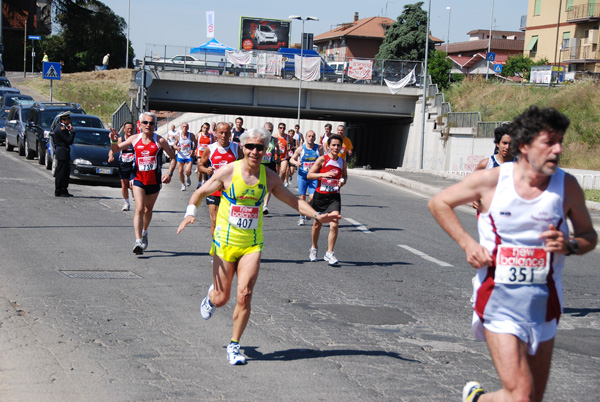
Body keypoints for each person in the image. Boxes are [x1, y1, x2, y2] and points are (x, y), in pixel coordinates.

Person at [427, 106, 597, 402]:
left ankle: (477, 399)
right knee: (520, 396)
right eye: (549, 142)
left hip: (544, 304)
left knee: (531, 399)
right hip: (499, 300)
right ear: (524, 146)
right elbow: (439, 202)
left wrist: (569, 245)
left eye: (560, 141)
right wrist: (468, 244)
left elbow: (589, 236)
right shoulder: (493, 181)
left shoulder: (566, 186)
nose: (557, 150)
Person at [177, 127, 341, 365]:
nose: (254, 151)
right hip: (225, 242)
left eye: (259, 147)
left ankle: (234, 345)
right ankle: (210, 298)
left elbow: (294, 201)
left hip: (252, 244)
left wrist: (317, 215)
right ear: (242, 148)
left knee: (244, 294)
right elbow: (200, 192)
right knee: (222, 298)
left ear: (266, 150)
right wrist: (190, 213)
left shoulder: (270, 177)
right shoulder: (228, 171)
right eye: (250, 147)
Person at [109, 112, 177, 255]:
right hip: (138, 178)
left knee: (148, 210)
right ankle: (138, 241)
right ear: (140, 125)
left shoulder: (160, 141)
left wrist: (169, 174)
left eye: (151, 123)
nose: (148, 126)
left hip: (154, 180)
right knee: (139, 208)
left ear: (155, 126)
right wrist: (114, 141)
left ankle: (145, 231)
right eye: (145, 123)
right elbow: (115, 150)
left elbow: (173, 158)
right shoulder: (134, 139)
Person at [307, 134, 348, 265]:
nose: (336, 148)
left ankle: (329, 253)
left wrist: (342, 181)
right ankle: (314, 248)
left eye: (338, 145)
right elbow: (309, 175)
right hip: (321, 196)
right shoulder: (322, 160)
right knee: (317, 224)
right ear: (328, 146)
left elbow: (345, 176)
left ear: (341, 147)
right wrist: (323, 174)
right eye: (333, 145)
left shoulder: (342, 162)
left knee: (334, 224)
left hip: (334, 196)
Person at [198, 122, 242, 237]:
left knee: (230, 221)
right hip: (214, 189)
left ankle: (228, 244)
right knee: (214, 220)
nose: (223, 135)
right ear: (216, 134)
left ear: (230, 134)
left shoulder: (236, 148)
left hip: (231, 191)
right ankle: (217, 247)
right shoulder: (210, 149)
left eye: (226, 133)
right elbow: (200, 165)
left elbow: (245, 166)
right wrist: (206, 170)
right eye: (221, 133)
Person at [472, 123, 515, 210]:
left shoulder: (520, 165)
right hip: (489, 214)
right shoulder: (486, 164)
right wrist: (475, 199)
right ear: (498, 144)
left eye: (510, 144)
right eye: (504, 143)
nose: (507, 147)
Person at [290, 130, 323, 225]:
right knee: (302, 197)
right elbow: (292, 159)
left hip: (313, 177)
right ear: (306, 137)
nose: (311, 138)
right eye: (309, 136)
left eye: (313, 136)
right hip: (303, 177)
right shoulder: (301, 149)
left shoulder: (319, 148)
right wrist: (296, 163)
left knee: (313, 197)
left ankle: (308, 210)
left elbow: (324, 159)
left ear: (315, 138)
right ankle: (301, 217)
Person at [108, 122, 136, 211]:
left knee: (132, 185)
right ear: (124, 129)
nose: (129, 130)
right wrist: (111, 156)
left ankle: (135, 194)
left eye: (131, 128)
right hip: (123, 165)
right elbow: (112, 150)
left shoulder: (136, 139)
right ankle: (126, 203)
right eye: (128, 128)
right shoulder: (121, 139)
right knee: (124, 184)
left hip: (134, 165)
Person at [53, 111, 76, 197]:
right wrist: (72, 132)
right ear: (63, 120)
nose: (69, 120)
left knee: (65, 173)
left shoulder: (63, 128)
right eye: (68, 119)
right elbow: (69, 141)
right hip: (62, 152)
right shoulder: (61, 129)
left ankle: (64, 189)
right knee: (61, 173)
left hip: (64, 152)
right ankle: (59, 190)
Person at [261, 122, 278, 215]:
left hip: (270, 164)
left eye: (270, 130)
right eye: (267, 130)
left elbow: (277, 147)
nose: (269, 132)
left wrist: (278, 155)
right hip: (260, 163)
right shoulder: (260, 139)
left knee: (269, 185)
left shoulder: (274, 140)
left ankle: (265, 205)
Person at [173, 122, 196, 191]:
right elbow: (174, 145)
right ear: (181, 127)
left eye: (186, 127)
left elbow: (196, 142)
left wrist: (193, 150)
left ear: (188, 128)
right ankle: (183, 184)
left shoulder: (191, 135)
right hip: (180, 155)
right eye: (183, 127)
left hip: (189, 156)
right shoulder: (178, 135)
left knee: (188, 171)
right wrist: (177, 148)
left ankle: (188, 176)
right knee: (180, 171)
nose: (185, 128)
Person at [275, 122, 291, 187]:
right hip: (276, 156)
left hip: (284, 157)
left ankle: (280, 185)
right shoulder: (275, 136)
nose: (282, 129)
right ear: (278, 128)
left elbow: (292, 143)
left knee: (283, 171)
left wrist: (290, 147)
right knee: (277, 173)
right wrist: (278, 145)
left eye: (283, 128)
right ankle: (277, 183)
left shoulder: (288, 137)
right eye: (281, 128)